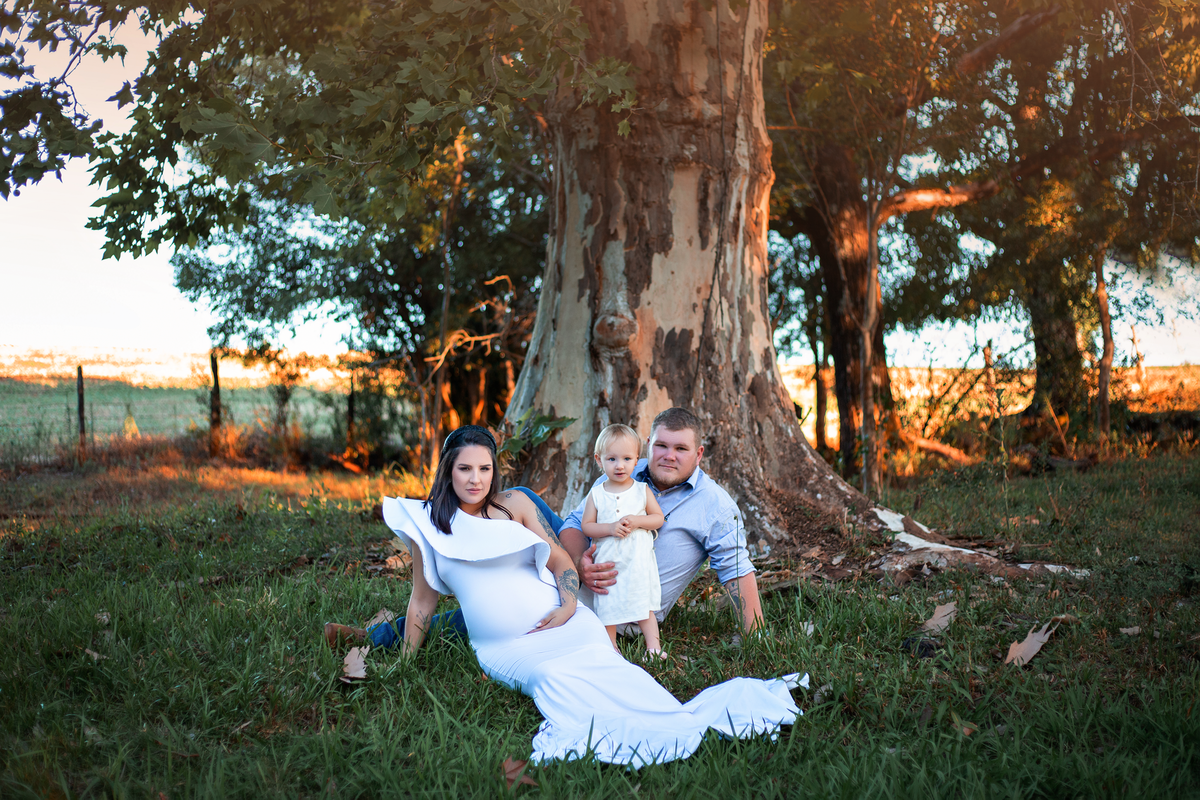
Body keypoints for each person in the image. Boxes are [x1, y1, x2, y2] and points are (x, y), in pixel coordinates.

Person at [379, 425, 806, 766]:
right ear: (447, 470)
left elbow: (560, 562)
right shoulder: (427, 526)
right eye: (465, 469)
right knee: (553, 679)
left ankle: (674, 719)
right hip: (507, 646)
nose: (475, 479)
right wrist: (404, 665)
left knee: (617, 671)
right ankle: (379, 635)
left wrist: (568, 604)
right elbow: (422, 601)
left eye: (485, 469)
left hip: (571, 619)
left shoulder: (512, 506)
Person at [560, 408, 765, 636]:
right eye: (661, 446)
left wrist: (754, 636)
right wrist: (580, 564)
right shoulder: (623, 468)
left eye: (681, 449)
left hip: (624, 615)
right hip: (571, 582)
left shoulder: (715, 505)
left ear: (698, 454)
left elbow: (736, 569)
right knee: (520, 498)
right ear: (648, 444)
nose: (669, 456)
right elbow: (574, 524)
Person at [581, 424, 666, 654]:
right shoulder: (597, 494)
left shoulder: (641, 490)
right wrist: (609, 527)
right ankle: (612, 651)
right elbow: (586, 526)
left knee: (643, 606)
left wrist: (638, 521)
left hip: (637, 562)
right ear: (599, 460)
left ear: (637, 459)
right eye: (612, 459)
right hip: (609, 561)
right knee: (607, 606)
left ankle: (654, 648)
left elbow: (658, 519)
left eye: (627, 459)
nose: (620, 465)